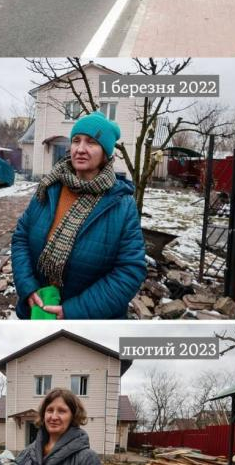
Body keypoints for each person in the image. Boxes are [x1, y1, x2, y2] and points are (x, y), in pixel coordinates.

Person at [11, 112, 145, 319]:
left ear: (106, 154)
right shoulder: (48, 189)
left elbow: (130, 271)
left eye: (91, 143)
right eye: (76, 141)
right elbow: (21, 238)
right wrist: (27, 287)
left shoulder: (122, 205)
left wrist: (74, 311)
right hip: (37, 309)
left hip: (88, 320)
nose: (80, 149)